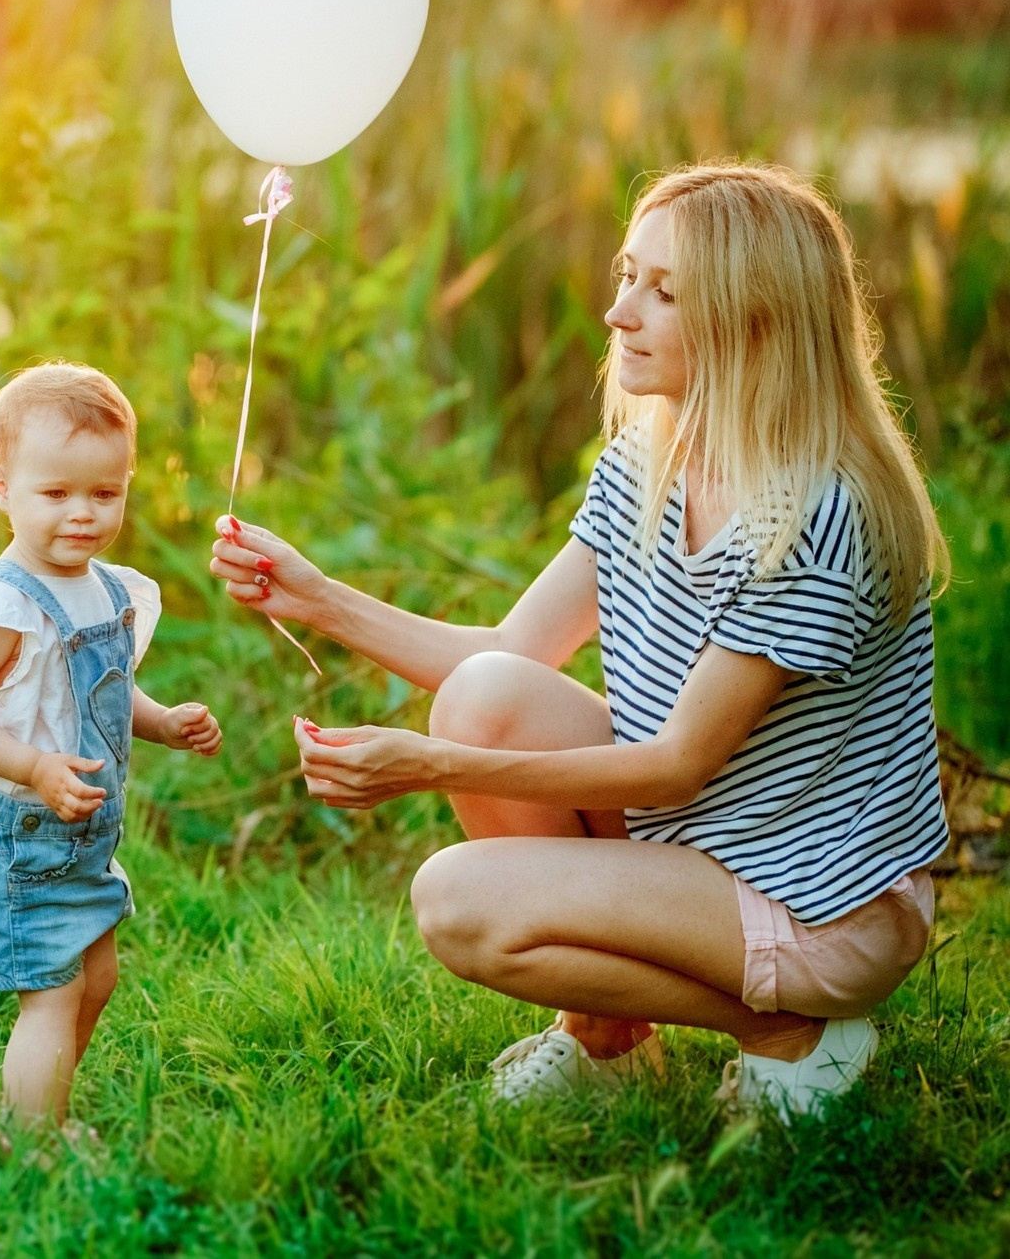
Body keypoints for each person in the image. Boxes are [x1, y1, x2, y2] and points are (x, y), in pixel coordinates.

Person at [209, 162, 949, 1120]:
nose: (618, 312)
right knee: (485, 693)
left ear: (757, 321)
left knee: (458, 904)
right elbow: (510, 650)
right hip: (704, 846)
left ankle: (792, 1030)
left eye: (665, 292)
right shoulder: (648, 461)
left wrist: (430, 766)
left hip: (818, 903)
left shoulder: (815, 512)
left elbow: (678, 764)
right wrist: (316, 599)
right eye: (627, 275)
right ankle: (610, 1041)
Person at [0, 361, 224, 1134]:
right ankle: (34, 1144)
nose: (82, 513)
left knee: (97, 978)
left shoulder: (108, 588)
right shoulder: (3, 602)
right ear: (2, 488)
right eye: (55, 494)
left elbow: (100, 693)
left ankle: (30, 1106)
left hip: (81, 833)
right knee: (53, 995)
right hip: (17, 835)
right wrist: (34, 766)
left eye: (104, 493)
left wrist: (163, 721)